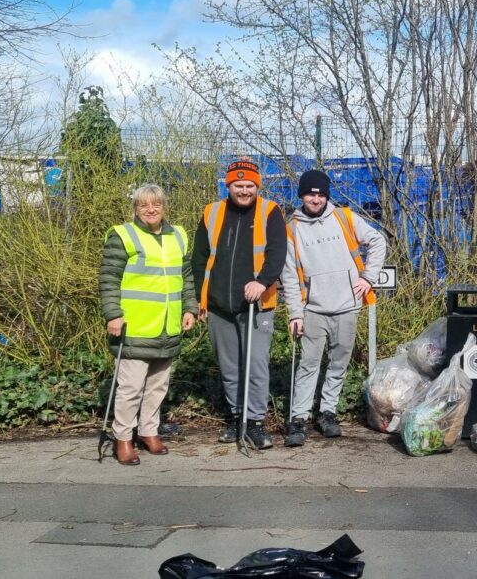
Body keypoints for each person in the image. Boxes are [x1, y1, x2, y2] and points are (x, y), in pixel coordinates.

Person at [280, 170, 387, 446]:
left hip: (347, 306)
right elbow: (289, 276)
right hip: (313, 309)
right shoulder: (291, 228)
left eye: (320, 194)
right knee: (308, 365)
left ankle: (328, 413)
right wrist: (295, 313)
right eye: (310, 193)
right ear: (302, 195)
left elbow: (377, 241)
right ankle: (299, 418)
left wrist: (367, 278)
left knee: (338, 363)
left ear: (326, 196)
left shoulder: (344, 217)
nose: (315, 199)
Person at [99, 184, 198, 465]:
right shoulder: (123, 236)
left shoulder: (178, 235)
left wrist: (190, 307)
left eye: (156, 204)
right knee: (130, 388)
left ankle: (149, 431)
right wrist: (112, 314)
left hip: (167, 326)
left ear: (164, 206)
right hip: (134, 325)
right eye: (143, 206)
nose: (151, 210)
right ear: (135, 209)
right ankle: (123, 438)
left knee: (158, 385)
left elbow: (186, 276)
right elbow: (108, 279)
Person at [192, 159, 286, 449]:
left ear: (257, 186)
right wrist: (199, 297)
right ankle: (236, 418)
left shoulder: (270, 211)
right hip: (219, 303)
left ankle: (255, 423)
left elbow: (277, 252)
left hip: (256, 305)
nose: (244, 191)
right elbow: (198, 257)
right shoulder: (212, 212)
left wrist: (263, 281)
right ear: (228, 185)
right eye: (238, 185)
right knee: (229, 366)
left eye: (249, 186)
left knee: (256, 364)